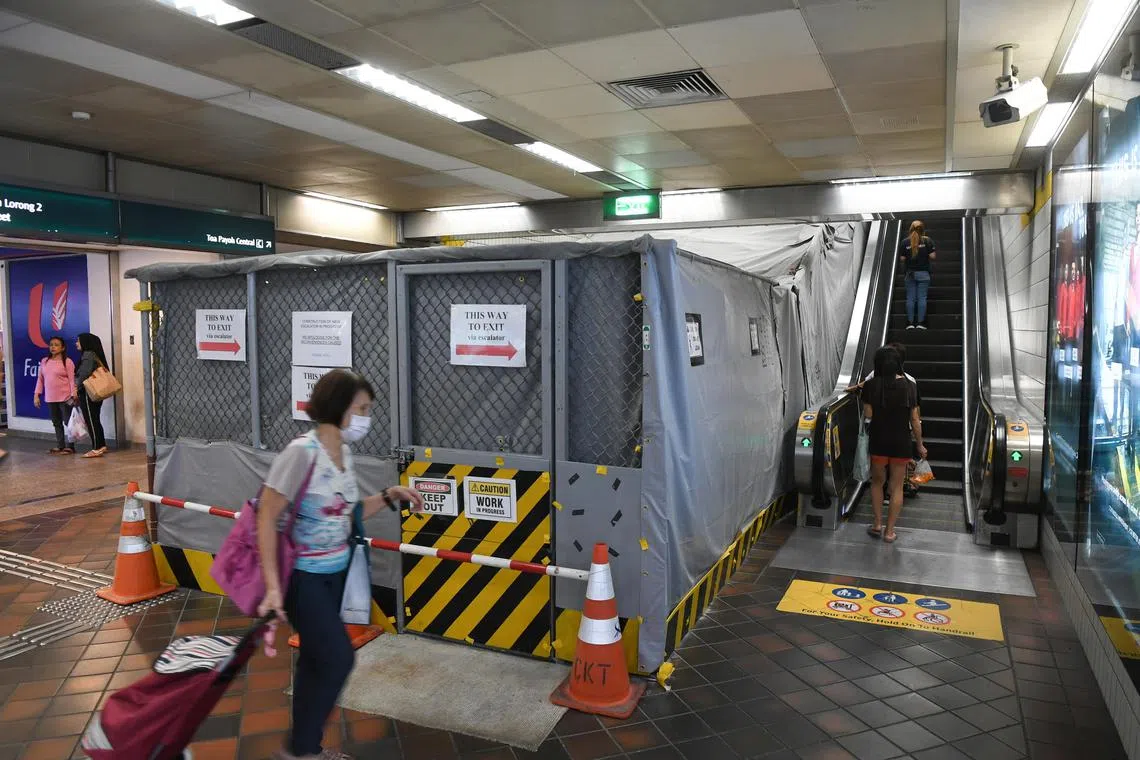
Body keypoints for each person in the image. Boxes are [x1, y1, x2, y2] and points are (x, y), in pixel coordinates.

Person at [256, 369, 424, 760]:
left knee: (317, 660)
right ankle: (301, 749)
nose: (367, 418)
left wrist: (387, 494)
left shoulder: (344, 454)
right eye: (361, 409)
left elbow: (343, 512)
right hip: (303, 578)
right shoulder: (301, 453)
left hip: (336, 573)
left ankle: (303, 748)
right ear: (339, 408)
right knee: (337, 657)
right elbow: (266, 516)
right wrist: (274, 587)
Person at [863, 347, 927, 543]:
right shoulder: (910, 386)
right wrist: (920, 445)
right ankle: (890, 532)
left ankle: (876, 524)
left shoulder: (871, 385)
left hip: (878, 440)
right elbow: (915, 420)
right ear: (899, 364)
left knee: (877, 482)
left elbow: (869, 415)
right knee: (897, 486)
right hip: (901, 441)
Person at [33, 336, 77, 455]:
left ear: (62, 348)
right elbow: (40, 379)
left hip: (66, 397)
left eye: (56, 345)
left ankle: (70, 446)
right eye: (51, 344)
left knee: (68, 422)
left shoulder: (67, 362)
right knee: (56, 422)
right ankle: (60, 445)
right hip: (50, 398)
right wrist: (37, 395)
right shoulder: (44, 361)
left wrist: (73, 394)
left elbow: (72, 380)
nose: (53, 347)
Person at [75, 333, 110, 459]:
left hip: (88, 393)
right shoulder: (94, 354)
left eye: (78, 341)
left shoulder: (88, 355)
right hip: (95, 392)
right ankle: (101, 444)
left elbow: (84, 374)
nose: (76, 344)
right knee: (95, 419)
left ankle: (96, 448)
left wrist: (75, 387)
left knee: (91, 419)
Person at [899, 220, 937, 329]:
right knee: (922, 298)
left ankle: (910, 323)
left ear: (910, 229)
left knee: (910, 298)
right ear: (922, 229)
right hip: (924, 274)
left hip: (910, 274)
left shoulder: (905, 242)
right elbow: (933, 256)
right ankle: (921, 323)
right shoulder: (928, 241)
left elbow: (902, 258)